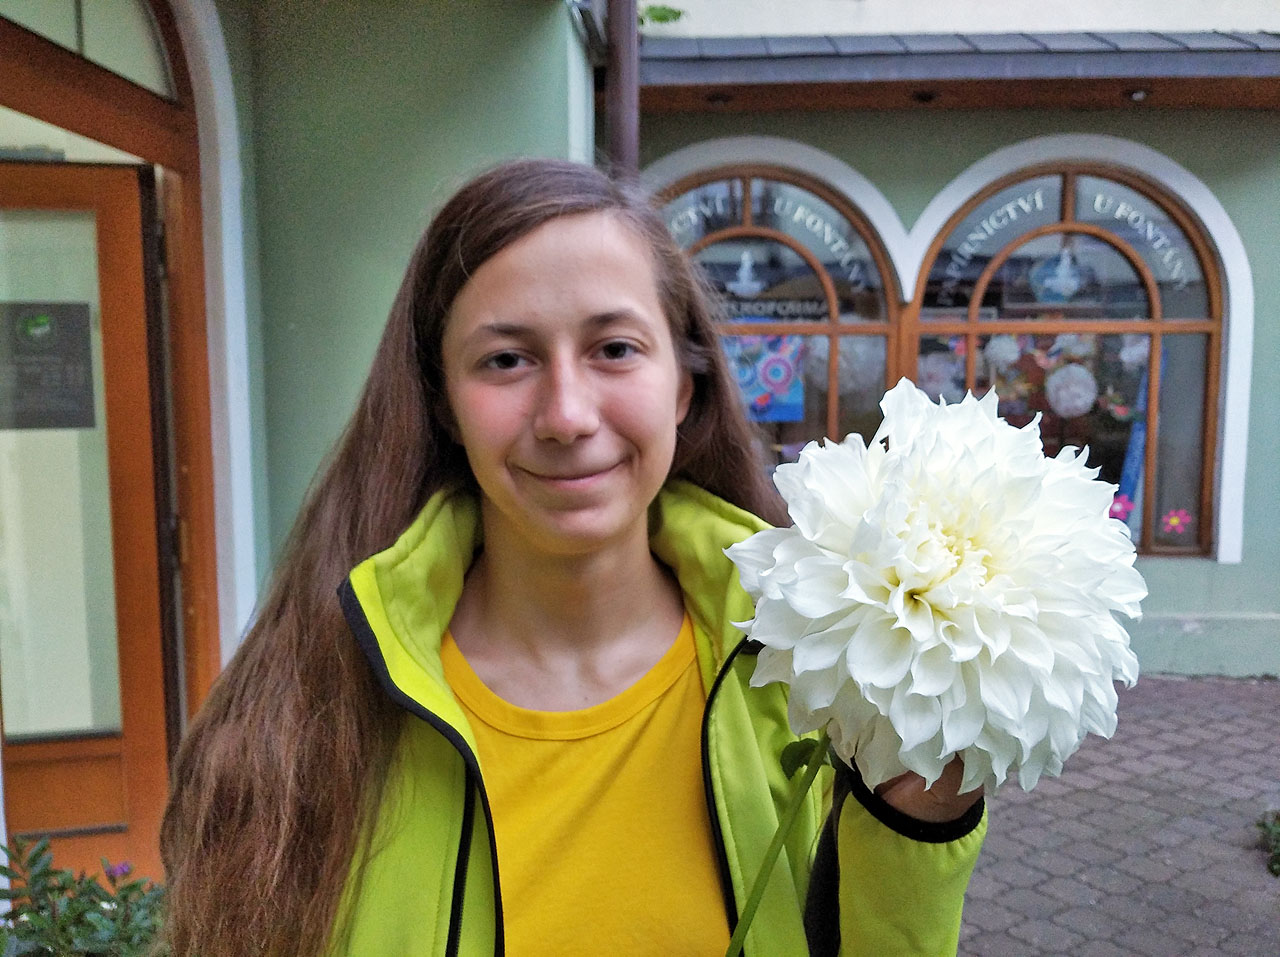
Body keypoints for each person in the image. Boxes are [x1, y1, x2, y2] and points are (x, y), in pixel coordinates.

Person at [160, 159, 986, 957]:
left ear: (683, 386)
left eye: (615, 349)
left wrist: (920, 825)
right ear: (443, 405)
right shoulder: (318, 705)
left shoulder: (809, 676)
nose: (565, 414)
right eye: (506, 359)